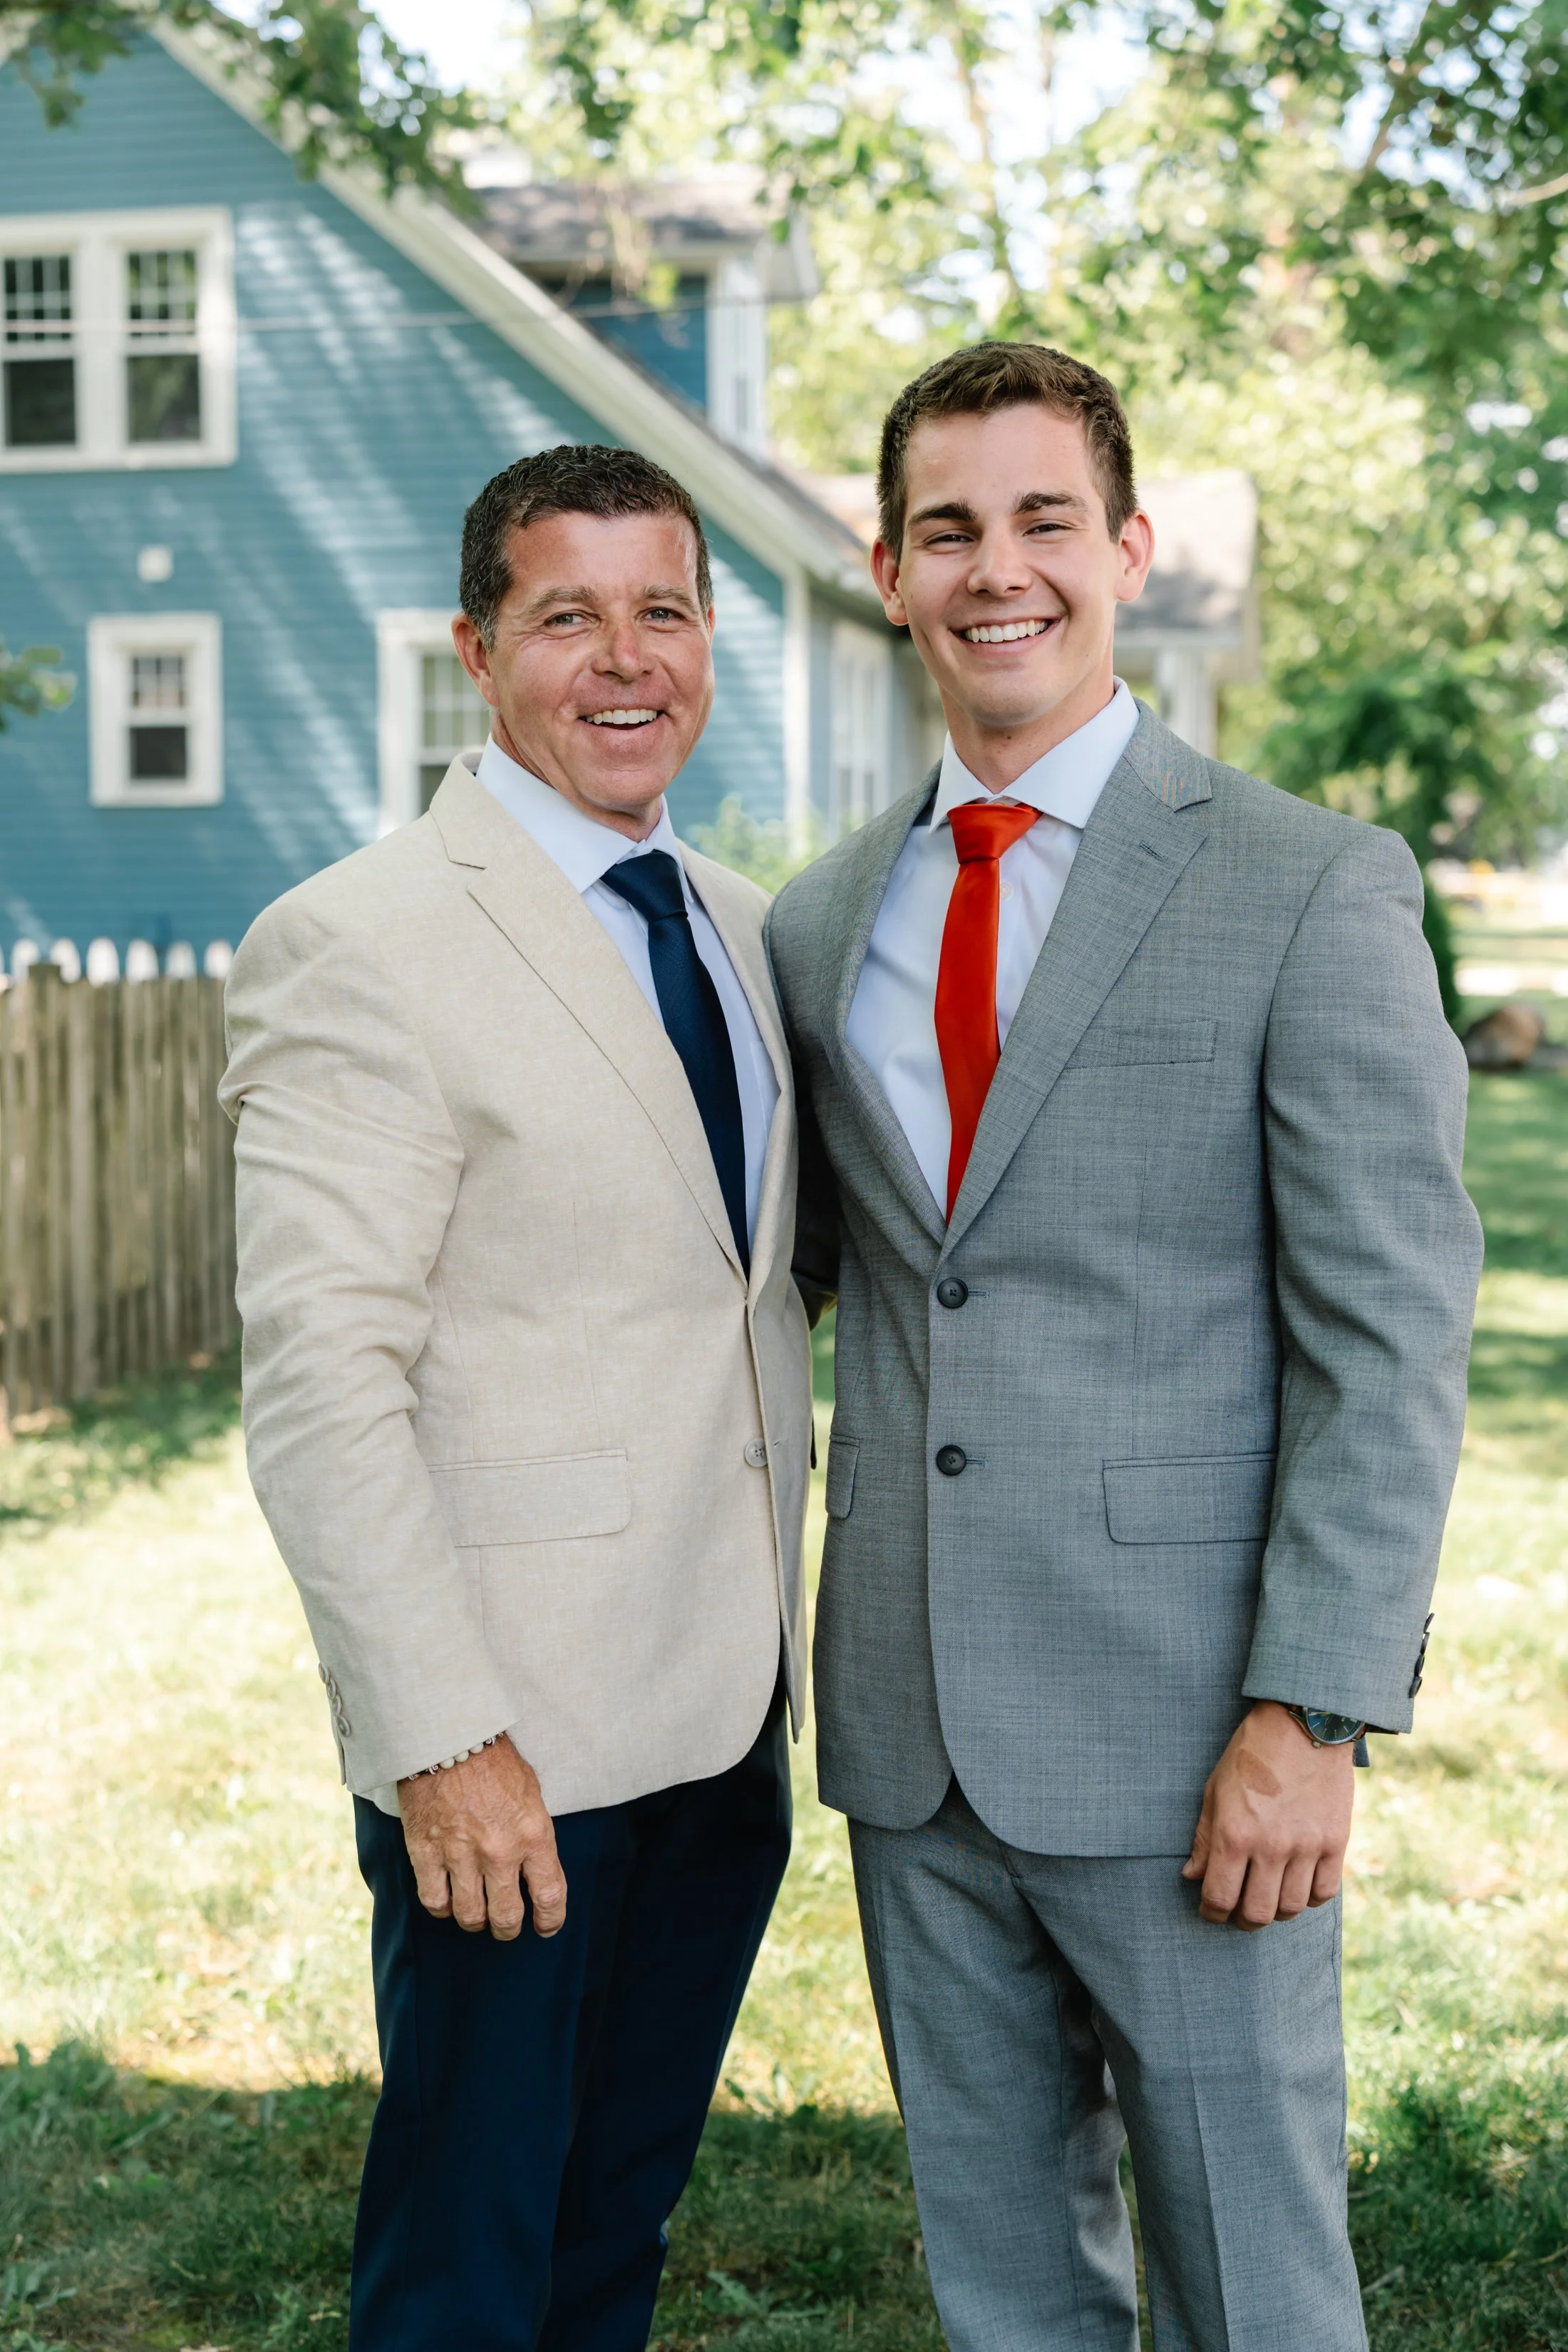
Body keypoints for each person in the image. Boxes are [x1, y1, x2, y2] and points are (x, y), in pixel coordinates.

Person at [768, 343, 1482, 2351]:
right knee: (1004, 2293)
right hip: (912, 1739)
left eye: (1044, 520)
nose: (1000, 570)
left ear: (1130, 550)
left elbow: (1393, 1327)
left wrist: (1314, 1709)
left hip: (1198, 1744)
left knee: (1254, 2289)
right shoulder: (825, 926)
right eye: (949, 529)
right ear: (890, 569)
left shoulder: (1304, 885)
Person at [221, 445, 813, 2352]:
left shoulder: (734, 922)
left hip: (721, 1721)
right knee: (468, 2267)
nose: (624, 659)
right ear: (480, 651)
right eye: (570, 615)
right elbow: (323, 1380)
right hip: (516, 1756)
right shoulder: (362, 940)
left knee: (609, 2232)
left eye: (667, 610)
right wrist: (439, 1734)